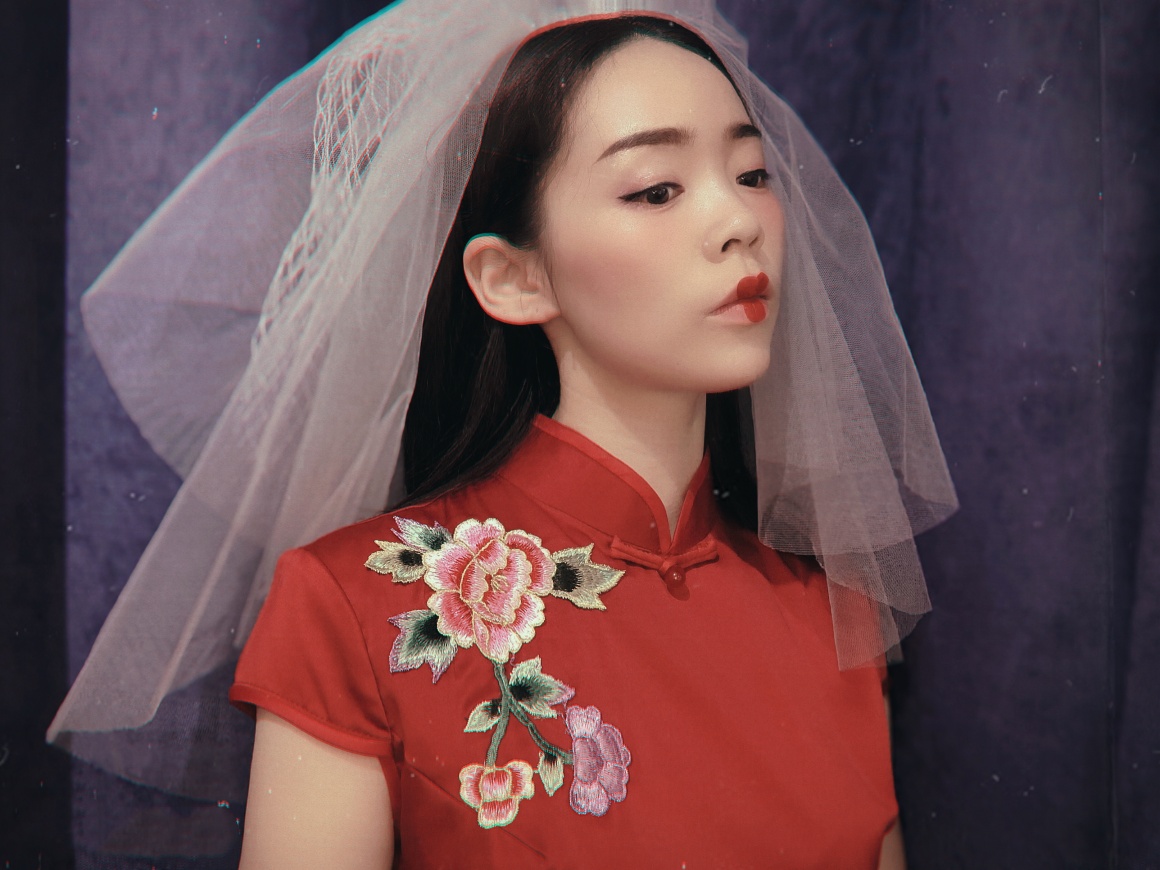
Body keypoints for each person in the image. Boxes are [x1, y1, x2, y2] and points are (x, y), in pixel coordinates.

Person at [50, 1, 956, 867]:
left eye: (752, 174)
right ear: (513, 278)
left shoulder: (832, 619)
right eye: (656, 189)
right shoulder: (355, 609)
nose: (737, 223)